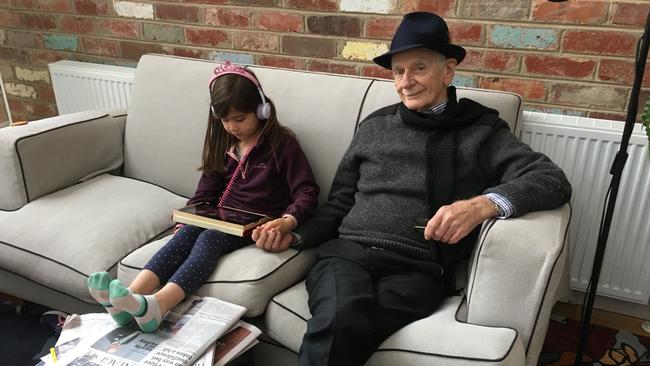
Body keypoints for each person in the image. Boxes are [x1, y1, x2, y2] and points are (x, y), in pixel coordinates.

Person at [253, 11, 572, 366]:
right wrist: (294, 232)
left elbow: (550, 179)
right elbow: (339, 202)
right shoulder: (374, 127)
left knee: (345, 325)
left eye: (418, 68)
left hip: (418, 268)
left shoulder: (481, 131)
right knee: (341, 314)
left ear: (448, 70)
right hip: (347, 255)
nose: (406, 81)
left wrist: (481, 206)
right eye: (398, 72)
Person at [87, 61, 319, 332]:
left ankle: (160, 304)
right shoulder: (224, 144)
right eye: (224, 120)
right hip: (220, 218)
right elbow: (204, 193)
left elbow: (307, 190)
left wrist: (288, 221)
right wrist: (189, 216)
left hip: (256, 224)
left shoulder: (283, 145)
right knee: (186, 233)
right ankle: (127, 297)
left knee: (209, 239)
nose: (232, 126)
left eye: (240, 118)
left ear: (261, 109)